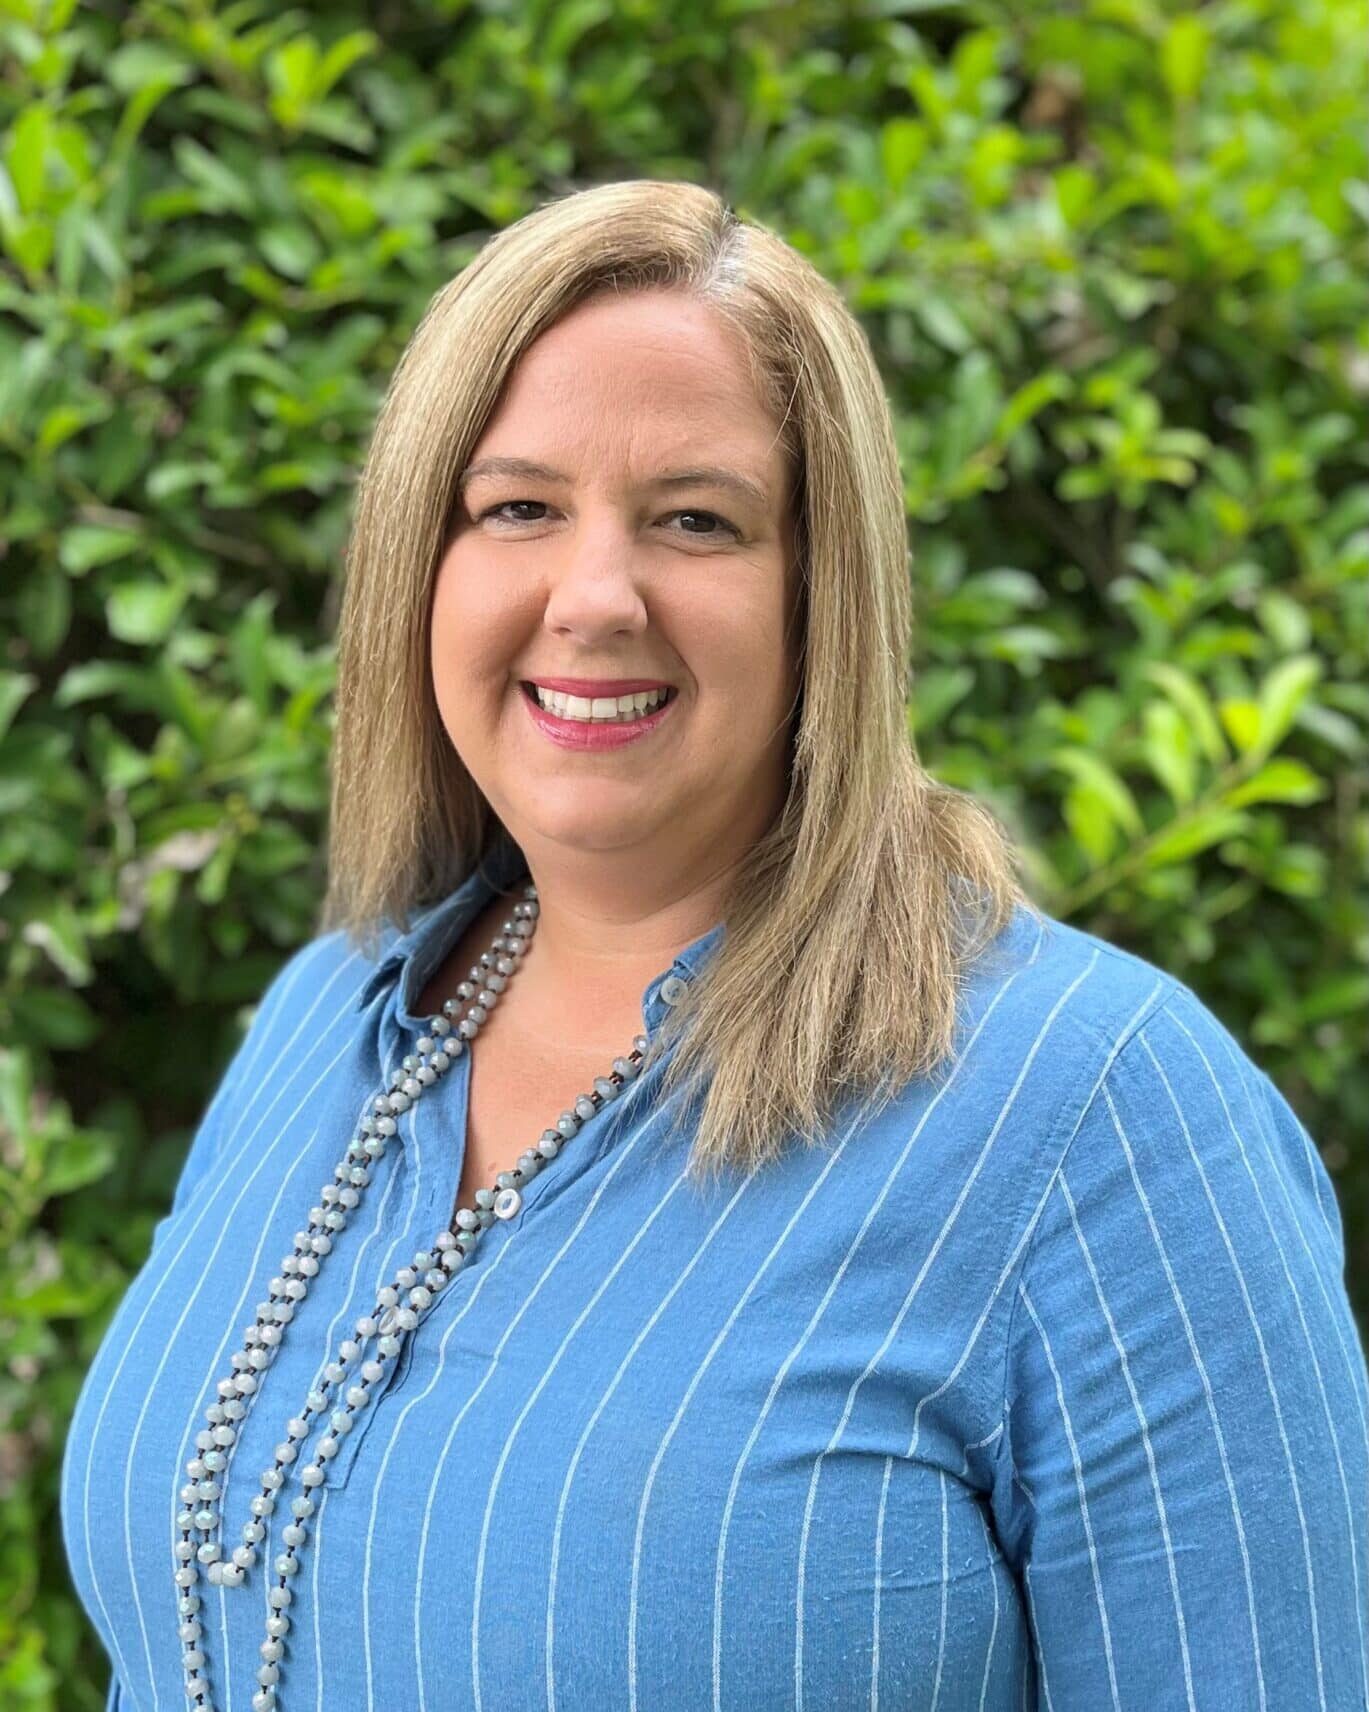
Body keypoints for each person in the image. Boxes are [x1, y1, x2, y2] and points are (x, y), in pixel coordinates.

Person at [60, 179, 1368, 1712]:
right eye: (517, 508)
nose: (593, 596)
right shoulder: (321, 1023)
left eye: (697, 520)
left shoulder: (1103, 1122)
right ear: (423, 563)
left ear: (824, 600)